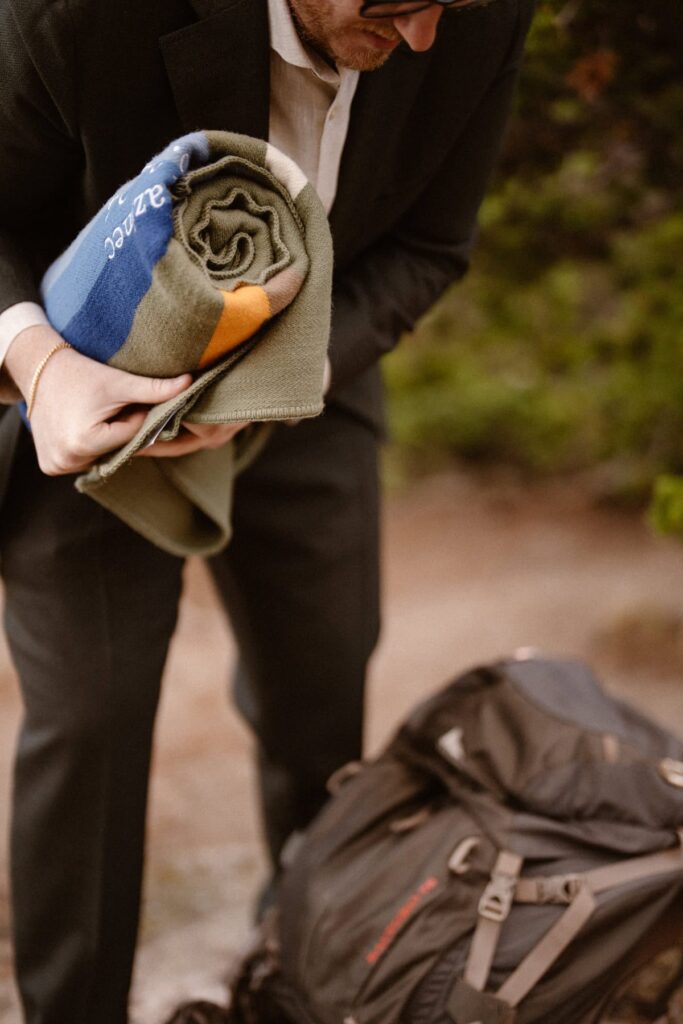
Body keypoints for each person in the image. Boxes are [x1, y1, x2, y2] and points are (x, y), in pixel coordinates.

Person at [0, 0, 534, 1021]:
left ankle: (301, 983)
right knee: (91, 727)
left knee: (322, 698)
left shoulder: (473, 15)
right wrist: (40, 364)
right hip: (92, 392)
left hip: (314, 382)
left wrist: (291, 374)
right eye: (392, 3)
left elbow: (430, 245)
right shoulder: (78, 14)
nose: (423, 38)